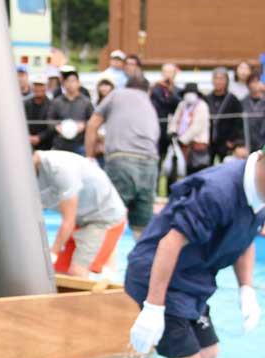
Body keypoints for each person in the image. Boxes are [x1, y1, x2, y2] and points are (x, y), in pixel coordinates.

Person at [125, 150, 265, 358]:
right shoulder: (218, 191)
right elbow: (170, 243)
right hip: (158, 275)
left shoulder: (259, 195)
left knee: (208, 353)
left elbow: (246, 237)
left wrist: (246, 289)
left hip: (192, 280)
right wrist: (154, 307)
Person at [86, 76, 160, 239]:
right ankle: (145, 263)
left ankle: (100, 263)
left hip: (122, 160)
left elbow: (92, 124)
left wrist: (90, 157)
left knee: (108, 217)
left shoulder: (117, 94)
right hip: (150, 163)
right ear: (147, 90)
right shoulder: (149, 104)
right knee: (142, 226)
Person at [35, 150, 128, 276]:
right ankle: (107, 261)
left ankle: (106, 265)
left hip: (104, 220)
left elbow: (69, 222)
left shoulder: (61, 169)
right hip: (83, 218)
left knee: (77, 271)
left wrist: (53, 252)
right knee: (59, 272)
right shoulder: (27, 173)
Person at [168, 83, 211, 182]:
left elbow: (197, 127)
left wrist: (183, 140)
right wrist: (172, 132)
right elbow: (175, 120)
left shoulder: (202, 106)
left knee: (195, 176)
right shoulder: (182, 105)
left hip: (196, 147)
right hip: (179, 146)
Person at [49, 68, 93, 154]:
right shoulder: (57, 102)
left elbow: (93, 120)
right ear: (64, 84)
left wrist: (84, 125)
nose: (70, 84)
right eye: (68, 81)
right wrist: (56, 127)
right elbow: (49, 120)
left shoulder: (86, 102)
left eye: (73, 81)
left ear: (78, 83)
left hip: (80, 144)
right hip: (60, 144)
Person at [206, 68, 242, 164]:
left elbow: (238, 122)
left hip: (226, 142)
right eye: (216, 78)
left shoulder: (233, 100)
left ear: (227, 81)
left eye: (221, 78)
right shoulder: (207, 99)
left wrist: (232, 140)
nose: (218, 81)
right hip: (209, 141)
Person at [151, 64, 181, 162]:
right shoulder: (155, 90)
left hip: (173, 131)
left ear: (175, 74)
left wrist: (170, 90)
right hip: (157, 129)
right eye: (165, 72)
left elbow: (179, 104)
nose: (167, 75)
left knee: (173, 160)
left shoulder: (179, 91)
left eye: (170, 72)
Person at [24, 74, 54, 151]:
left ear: (46, 87)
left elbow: (51, 127)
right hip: (26, 143)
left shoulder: (52, 105)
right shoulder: (26, 103)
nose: (38, 88)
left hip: (46, 145)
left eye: (41, 85)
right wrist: (28, 137)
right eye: (36, 85)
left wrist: (39, 137)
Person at [243, 76, 265, 157]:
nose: (255, 85)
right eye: (252, 82)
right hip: (248, 143)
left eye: (257, 81)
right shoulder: (243, 102)